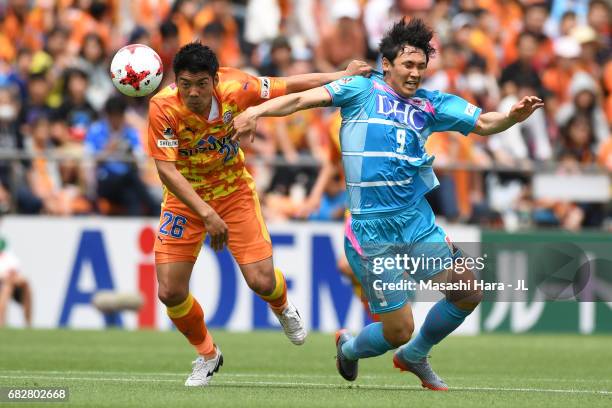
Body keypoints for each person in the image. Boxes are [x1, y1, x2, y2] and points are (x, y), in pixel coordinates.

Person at [233, 18, 543, 390]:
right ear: (387, 64)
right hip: (371, 230)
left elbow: (484, 123)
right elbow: (301, 99)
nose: (414, 74)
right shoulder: (360, 90)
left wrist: (511, 117)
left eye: (420, 67)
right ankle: (349, 348)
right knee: (398, 329)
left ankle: (415, 355)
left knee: (468, 290)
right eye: (407, 65)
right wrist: (255, 111)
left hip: (415, 222)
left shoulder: (432, 105)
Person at [147, 41, 370, 387]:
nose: (193, 93)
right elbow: (167, 172)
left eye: (201, 84)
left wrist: (341, 75)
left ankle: (282, 307)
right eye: (185, 84)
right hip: (185, 200)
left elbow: (290, 84)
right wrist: (205, 213)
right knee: (169, 292)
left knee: (262, 282)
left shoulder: (240, 87)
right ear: (176, 81)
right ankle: (207, 354)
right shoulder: (162, 106)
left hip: (233, 191)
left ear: (216, 80)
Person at [0, 238, 31, 327]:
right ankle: (1, 323)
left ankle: (28, 324)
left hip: (9, 285)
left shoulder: (9, 257)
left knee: (25, 283)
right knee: (6, 287)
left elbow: (14, 273)